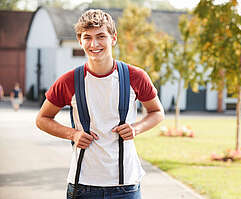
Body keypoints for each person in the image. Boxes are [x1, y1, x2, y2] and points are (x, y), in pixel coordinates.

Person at [36, 9, 165, 199]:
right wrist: (72, 134)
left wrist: (136, 128)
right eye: (87, 37)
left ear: (113, 38)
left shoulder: (136, 77)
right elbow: (42, 119)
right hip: (82, 186)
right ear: (80, 41)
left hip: (126, 185)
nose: (94, 44)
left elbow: (157, 112)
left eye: (101, 36)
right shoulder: (69, 81)